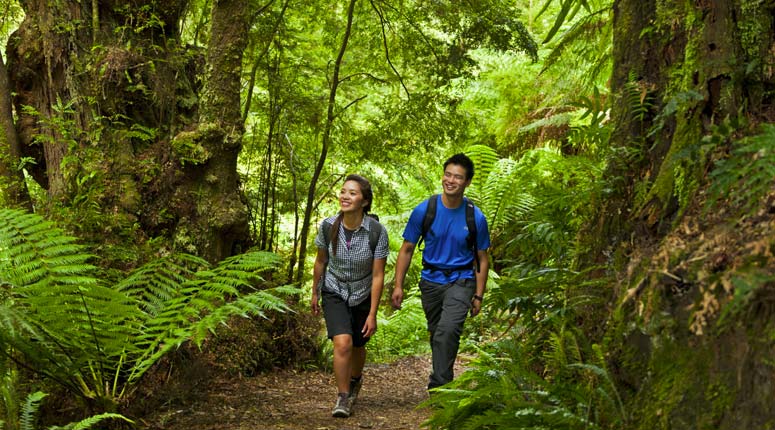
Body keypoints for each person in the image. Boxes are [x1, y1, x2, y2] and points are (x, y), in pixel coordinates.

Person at [391, 153, 490, 392]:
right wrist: (398, 285)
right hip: (431, 282)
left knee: (447, 332)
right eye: (448, 174)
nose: (451, 180)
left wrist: (478, 295)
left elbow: (482, 259)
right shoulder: (425, 210)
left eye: (458, 177)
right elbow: (406, 249)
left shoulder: (475, 217)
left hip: (462, 280)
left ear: (467, 182)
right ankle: (441, 378)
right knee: (437, 333)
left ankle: (441, 388)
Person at [311, 174, 389, 418]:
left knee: (357, 344)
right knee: (342, 342)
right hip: (334, 288)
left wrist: (373, 313)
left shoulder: (376, 231)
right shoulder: (328, 225)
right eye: (344, 191)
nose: (345, 196)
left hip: (363, 292)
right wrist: (315, 292)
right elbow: (321, 261)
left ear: (364, 201)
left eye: (352, 193)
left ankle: (356, 379)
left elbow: (378, 275)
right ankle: (343, 396)